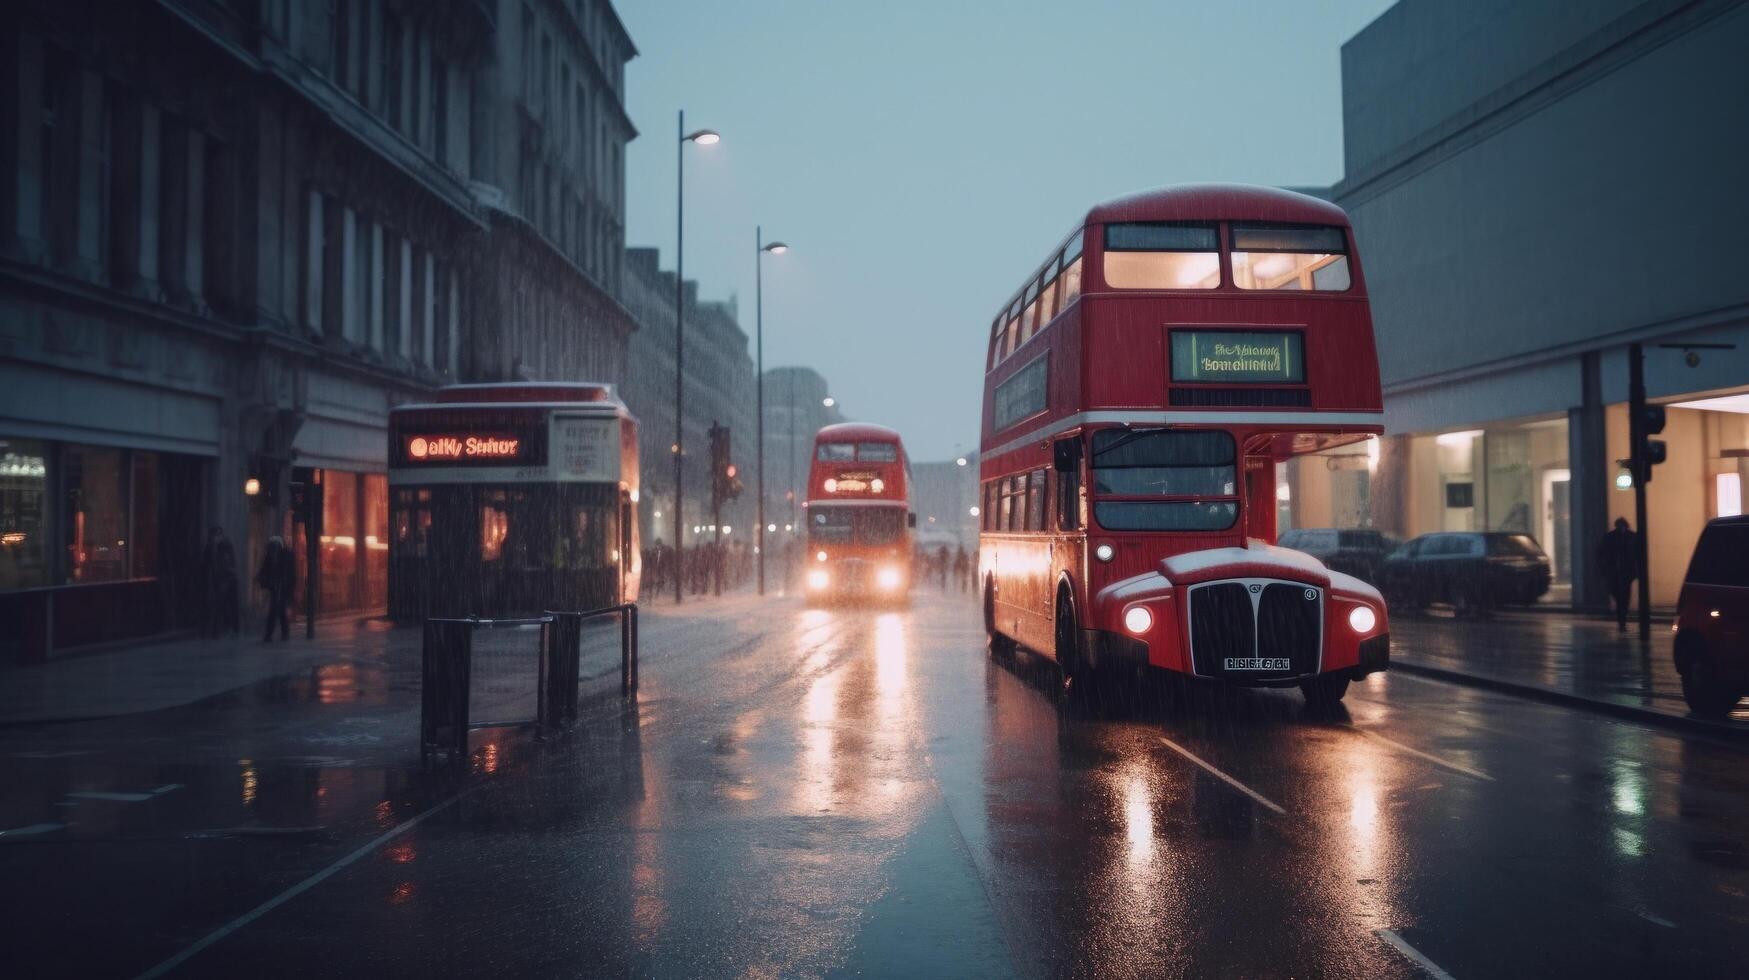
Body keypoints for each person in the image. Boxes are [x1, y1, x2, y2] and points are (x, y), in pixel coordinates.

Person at [1596, 517, 1639, 632]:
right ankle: (1622, 617)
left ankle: (1622, 619)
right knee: (1620, 595)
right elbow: (1601, 553)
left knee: (1623, 596)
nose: (1621, 528)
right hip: (1616, 571)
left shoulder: (1627, 537)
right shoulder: (1626, 537)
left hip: (1624, 572)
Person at [256, 535, 295, 642]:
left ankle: (277, 633)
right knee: (276, 610)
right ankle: (278, 633)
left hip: (282, 586)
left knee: (277, 610)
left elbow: (290, 573)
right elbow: (265, 568)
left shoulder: (286, 556)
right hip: (276, 586)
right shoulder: (271, 556)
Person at [201, 526, 238, 637]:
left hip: (225, 579)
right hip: (214, 579)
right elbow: (207, 564)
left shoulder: (225, 546)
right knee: (218, 604)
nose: (216, 537)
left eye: (218, 534)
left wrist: (229, 573)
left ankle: (222, 629)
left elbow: (231, 562)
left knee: (222, 604)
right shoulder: (209, 548)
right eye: (214, 535)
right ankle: (217, 629)